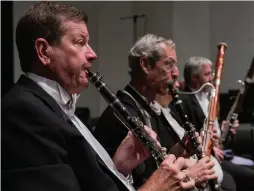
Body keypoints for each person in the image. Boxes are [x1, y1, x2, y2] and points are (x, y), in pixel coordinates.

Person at [1, 2, 196, 191]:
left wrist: (119, 167)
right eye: (80, 43)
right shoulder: (23, 113)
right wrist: (157, 187)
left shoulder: (57, 107)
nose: (92, 54)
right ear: (44, 51)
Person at [94, 33, 217, 189]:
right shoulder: (121, 116)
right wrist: (189, 175)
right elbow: (141, 182)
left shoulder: (148, 107)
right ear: (145, 65)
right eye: (169, 64)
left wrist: (181, 150)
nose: (176, 73)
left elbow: (157, 165)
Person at [150, 68, 237, 191]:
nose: (178, 84)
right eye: (207, 74)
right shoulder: (180, 104)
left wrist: (216, 136)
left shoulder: (174, 109)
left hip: (209, 163)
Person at [180, 56, 254, 191]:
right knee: (243, 179)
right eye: (207, 74)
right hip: (206, 158)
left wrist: (225, 129)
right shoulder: (184, 101)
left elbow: (217, 135)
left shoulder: (209, 97)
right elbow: (189, 136)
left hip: (219, 154)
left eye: (212, 74)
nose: (211, 79)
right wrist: (211, 146)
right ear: (194, 78)